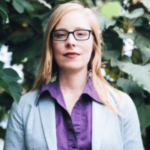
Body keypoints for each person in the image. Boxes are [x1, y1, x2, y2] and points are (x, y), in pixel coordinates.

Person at [4, 2, 144, 150]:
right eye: (61, 34)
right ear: (51, 45)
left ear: (94, 43)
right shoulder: (24, 108)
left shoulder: (122, 105)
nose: (70, 42)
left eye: (81, 34)